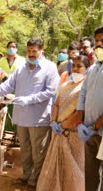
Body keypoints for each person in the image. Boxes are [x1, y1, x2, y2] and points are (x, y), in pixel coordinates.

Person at [0, 37, 60, 188]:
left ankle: (34, 181)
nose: (31, 54)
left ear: (41, 52)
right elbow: (8, 86)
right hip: (21, 117)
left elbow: (51, 91)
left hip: (39, 119)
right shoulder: (21, 68)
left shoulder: (50, 67)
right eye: (29, 51)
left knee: (38, 152)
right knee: (24, 149)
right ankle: (25, 175)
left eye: (34, 51)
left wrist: (29, 99)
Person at [36, 55, 90, 191]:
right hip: (58, 134)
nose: (76, 69)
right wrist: (53, 121)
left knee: (73, 168)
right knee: (55, 165)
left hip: (73, 135)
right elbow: (56, 104)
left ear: (86, 69)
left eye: (80, 66)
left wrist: (62, 126)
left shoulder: (85, 88)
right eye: (74, 66)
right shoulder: (66, 85)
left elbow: (79, 112)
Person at [76, 26, 103, 191]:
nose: (99, 44)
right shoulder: (93, 68)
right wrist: (80, 122)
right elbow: (83, 95)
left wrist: (94, 126)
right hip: (88, 131)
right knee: (90, 175)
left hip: (99, 132)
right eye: (97, 41)